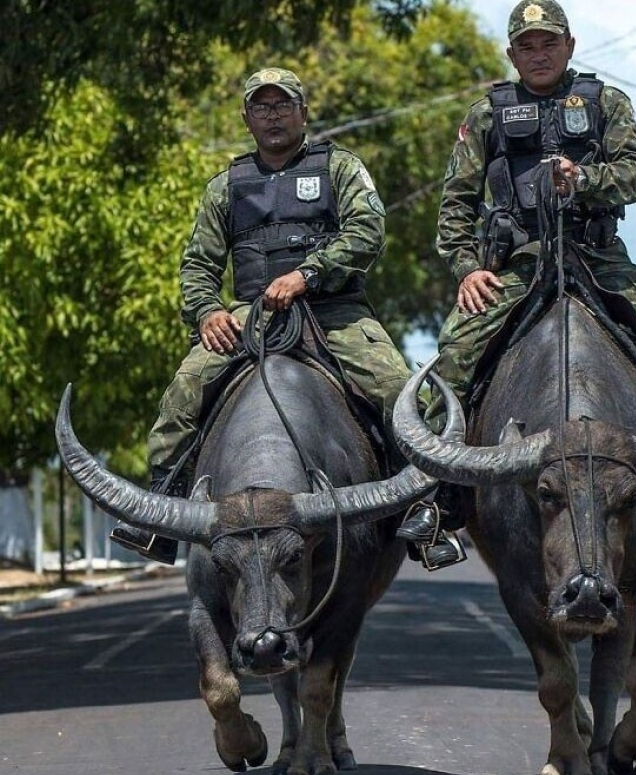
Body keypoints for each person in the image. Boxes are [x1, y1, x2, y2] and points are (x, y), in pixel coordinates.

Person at [396, 0, 636, 545]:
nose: (538, 54)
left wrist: (583, 179)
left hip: (597, 257)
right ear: (512, 54)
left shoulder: (605, 102)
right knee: (454, 358)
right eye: (527, 46)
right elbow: (455, 207)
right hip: (517, 263)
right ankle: (438, 495)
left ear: (569, 45)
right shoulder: (485, 115)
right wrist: (469, 270)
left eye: (548, 43)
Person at [112, 67, 460, 569]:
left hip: (333, 311)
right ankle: (160, 516)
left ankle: (432, 511)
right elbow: (197, 264)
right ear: (247, 117)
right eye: (261, 106)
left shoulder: (340, 168)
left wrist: (308, 275)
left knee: (396, 389)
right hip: (249, 315)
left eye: (282, 105)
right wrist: (208, 310)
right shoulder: (225, 186)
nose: (272, 115)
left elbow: (367, 232)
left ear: (303, 112)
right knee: (183, 394)